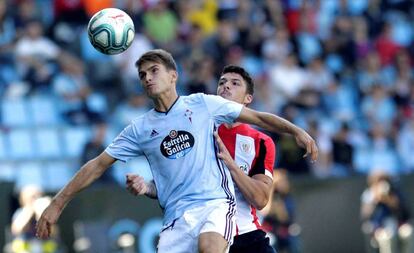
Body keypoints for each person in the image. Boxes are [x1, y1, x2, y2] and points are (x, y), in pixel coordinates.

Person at [36, 49, 318, 253]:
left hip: (215, 205)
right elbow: (97, 165)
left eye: (154, 70)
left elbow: (258, 118)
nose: (147, 77)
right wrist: (57, 203)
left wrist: (296, 130)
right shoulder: (140, 129)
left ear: (174, 76)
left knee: (210, 248)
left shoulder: (204, 105)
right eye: (142, 74)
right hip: (176, 217)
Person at [127, 65, 278, 253]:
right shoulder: (194, 130)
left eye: (235, 83)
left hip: (246, 236)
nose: (226, 86)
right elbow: (174, 181)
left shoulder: (260, 142)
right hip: (204, 235)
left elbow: (261, 199)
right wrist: (147, 187)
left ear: (248, 99)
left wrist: (230, 165)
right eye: (221, 82)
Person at [11, 185, 60, 253]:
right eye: (32, 197)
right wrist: (30, 210)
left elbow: (54, 232)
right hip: (26, 247)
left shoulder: (43, 211)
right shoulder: (20, 212)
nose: (36, 199)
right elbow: (16, 230)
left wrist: (43, 215)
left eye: (38, 196)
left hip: (45, 247)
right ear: (24, 199)